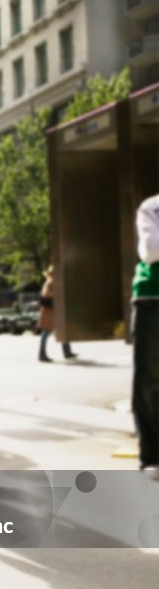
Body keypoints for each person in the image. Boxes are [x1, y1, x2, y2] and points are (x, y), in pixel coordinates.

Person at [131, 193, 159, 474]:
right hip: (153, 298)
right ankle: (152, 455)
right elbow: (150, 250)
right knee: (150, 379)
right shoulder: (152, 207)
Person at [37, 266, 77, 362]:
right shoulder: (50, 283)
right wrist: (58, 294)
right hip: (49, 313)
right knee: (46, 333)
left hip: (53, 312)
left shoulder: (51, 282)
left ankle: (67, 352)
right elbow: (46, 295)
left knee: (63, 330)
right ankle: (42, 354)